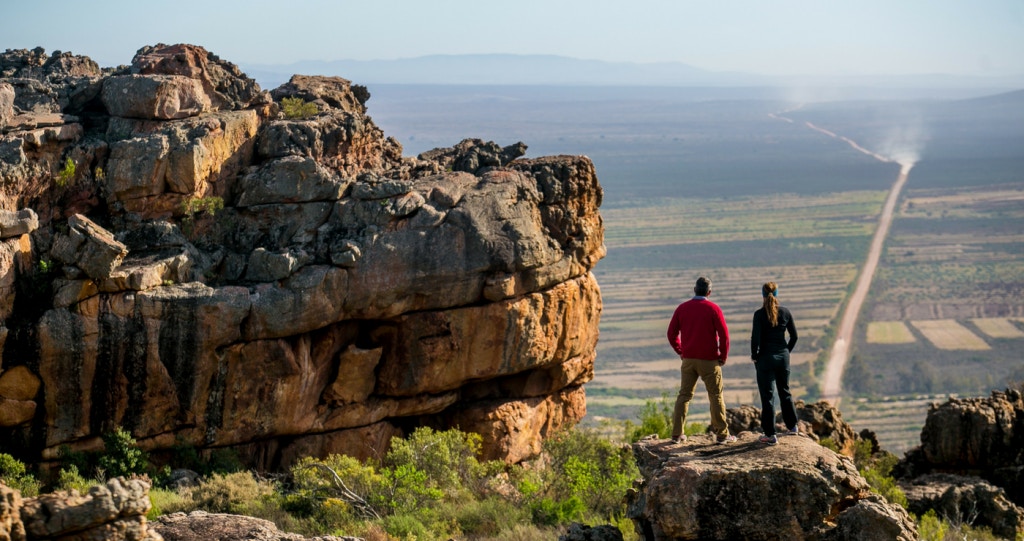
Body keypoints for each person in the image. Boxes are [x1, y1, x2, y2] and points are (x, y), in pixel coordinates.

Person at [666, 276, 736, 444]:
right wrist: (722, 357)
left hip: (688, 360)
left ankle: (677, 434)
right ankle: (722, 434)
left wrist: (680, 351)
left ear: (694, 289)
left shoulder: (682, 308)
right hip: (709, 361)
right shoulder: (713, 309)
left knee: (684, 396)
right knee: (715, 396)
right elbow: (724, 336)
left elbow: (671, 334)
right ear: (709, 292)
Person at [750, 281, 799, 445]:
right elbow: (794, 336)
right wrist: (786, 351)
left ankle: (770, 435)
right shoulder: (785, 312)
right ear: (777, 294)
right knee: (785, 391)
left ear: (762, 295)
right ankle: (792, 427)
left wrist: (754, 356)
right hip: (782, 357)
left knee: (768, 396)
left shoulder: (759, 314)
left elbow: (755, 339)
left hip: (765, 358)